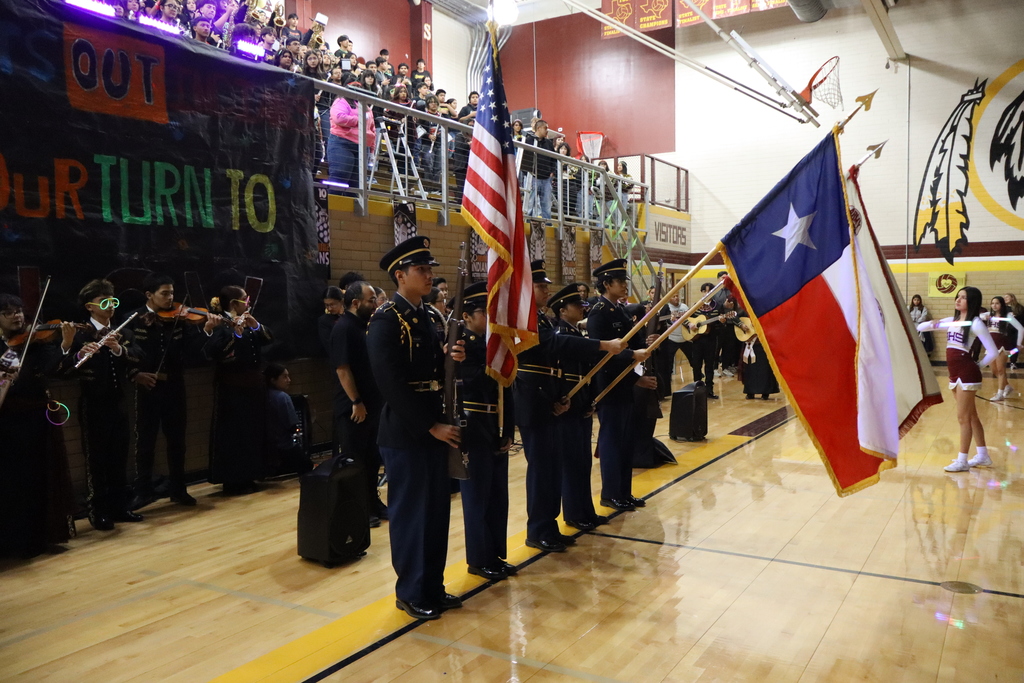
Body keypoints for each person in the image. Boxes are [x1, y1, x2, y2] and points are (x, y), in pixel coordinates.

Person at [366, 236, 465, 621]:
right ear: (399, 275)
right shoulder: (386, 320)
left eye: (429, 270)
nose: (429, 276)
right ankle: (410, 591)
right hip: (408, 433)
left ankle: (431, 586)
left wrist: (450, 359)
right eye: (421, 270)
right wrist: (430, 427)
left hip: (434, 426)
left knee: (436, 513)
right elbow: (390, 383)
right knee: (411, 515)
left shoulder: (427, 316)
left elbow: (433, 374)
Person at [515, 261, 626, 552]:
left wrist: (559, 397)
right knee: (541, 470)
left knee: (552, 469)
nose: (546, 289)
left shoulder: (541, 320)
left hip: (548, 401)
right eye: (540, 285)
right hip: (533, 402)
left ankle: (549, 527)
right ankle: (538, 529)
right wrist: (603, 345)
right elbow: (554, 346)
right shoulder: (527, 321)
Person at [0, 294, 77, 559]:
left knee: (36, 478)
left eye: (19, 311)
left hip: (33, 419)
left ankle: (36, 538)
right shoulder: (4, 346)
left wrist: (66, 343)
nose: (16, 316)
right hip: (5, 420)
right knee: (11, 483)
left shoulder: (37, 342)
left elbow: (52, 368)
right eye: (8, 312)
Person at [126, 274, 212, 510]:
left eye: (172, 293)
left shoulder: (181, 319)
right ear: (149, 295)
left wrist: (204, 329)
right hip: (147, 386)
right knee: (146, 440)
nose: (170, 298)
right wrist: (135, 374)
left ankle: (178, 489)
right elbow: (126, 353)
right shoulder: (133, 319)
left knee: (177, 440)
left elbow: (193, 351)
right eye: (165, 293)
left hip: (174, 384)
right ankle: (143, 491)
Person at [69, 280, 144, 531]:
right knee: (97, 460)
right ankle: (98, 511)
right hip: (93, 405)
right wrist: (78, 353)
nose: (111, 307)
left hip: (118, 403)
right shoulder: (79, 334)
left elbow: (139, 355)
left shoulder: (124, 331)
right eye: (105, 302)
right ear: (90, 307)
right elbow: (64, 367)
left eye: (113, 301)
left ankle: (120, 507)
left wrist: (118, 349)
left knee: (119, 457)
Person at [456, 282, 516, 580]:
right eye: (484, 312)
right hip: (474, 424)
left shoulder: (496, 345)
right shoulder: (461, 345)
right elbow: (474, 382)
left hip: (497, 422)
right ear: (467, 316)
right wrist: (497, 360)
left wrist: (508, 431)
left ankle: (494, 553)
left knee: (497, 495)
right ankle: (479, 558)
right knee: (477, 495)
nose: (491, 318)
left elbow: (508, 388)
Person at [586, 260, 654, 512]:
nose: (626, 286)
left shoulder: (620, 310)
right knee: (612, 441)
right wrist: (632, 357)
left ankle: (624, 492)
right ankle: (611, 493)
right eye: (620, 282)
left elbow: (631, 343)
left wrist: (646, 343)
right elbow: (600, 352)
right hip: (609, 386)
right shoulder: (599, 312)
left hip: (625, 384)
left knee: (626, 441)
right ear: (607, 284)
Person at [917, 286, 998, 472]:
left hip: (966, 373)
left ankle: (962, 460)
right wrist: (935, 323)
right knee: (971, 416)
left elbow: (992, 351)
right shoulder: (953, 320)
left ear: (972, 301)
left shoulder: (975, 323)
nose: (958, 299)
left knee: (963, 418)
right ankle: (983, 455)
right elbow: (920, 327)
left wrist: (976, 367)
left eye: (963, 297)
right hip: (955, 372)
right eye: (958, 296)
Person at [549, 284, 607, 532]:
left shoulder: (575, 333)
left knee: (583, 461)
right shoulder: (560, 335)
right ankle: (574, 513)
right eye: (577, 305)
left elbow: (587, 373)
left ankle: (586, 510)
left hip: (582, 403)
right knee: (572, 462)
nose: (583, 308)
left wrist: (591, 400)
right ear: (563, 310)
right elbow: (564, 376)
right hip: (569, 405)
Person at [204, 285, 272, 494]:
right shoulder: (220, 323)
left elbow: (269, 338)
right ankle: (233, 480)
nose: (248, 302)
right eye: (245, 299)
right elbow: (215, 352)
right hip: (231, 388)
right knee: (234, 436)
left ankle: (250, 475)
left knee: (252, 432)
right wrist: (235, 334)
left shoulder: (248, 319)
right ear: (233, 304)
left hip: (253, 386)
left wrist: (256, 325)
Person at [331, 280, 387, 527]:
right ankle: (358, 509)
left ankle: (373, 502)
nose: (375, 303)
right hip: (354, 407)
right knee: (356, 460)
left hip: (373, 404)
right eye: (371, 299)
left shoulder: (366, 326)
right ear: (355, 303)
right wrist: (356, 401)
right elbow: (343, 370)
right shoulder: (344, 328)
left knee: (373, 457)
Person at [327, 74, 375, 192]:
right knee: (340, 175)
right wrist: (360, 119)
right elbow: (339, 118)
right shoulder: (341, 101)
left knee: (357, 183)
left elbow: (372, 128)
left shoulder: (366, 106)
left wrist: (372, 149)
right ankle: (332, 207)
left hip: (362, 146)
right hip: (342, 142)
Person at [264, 363, 312, 476]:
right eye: (284, 377)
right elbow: (292, 425)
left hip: (266, 450)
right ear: (273, 380)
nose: (289, 380)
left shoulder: (261, 396)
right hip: (284, 447)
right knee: (307, 465)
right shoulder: (283, 397)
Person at [686, 281, 725, 399]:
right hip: (697, 340)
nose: (707, 293)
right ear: (701, 292)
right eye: (704, 291)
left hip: (711, 339)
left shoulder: (718, 306)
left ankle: (709, 390)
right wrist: (689, 324)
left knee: (709, 366)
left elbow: (722, 324)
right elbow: (684, 319)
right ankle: (696, 389)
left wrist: (722, 321)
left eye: (709, 291)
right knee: (696, 365)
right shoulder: (696, 305)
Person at [981, 296, 1023, 401]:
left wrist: (1018, 344)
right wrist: (983, 317)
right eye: (992, 303)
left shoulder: (1007, 315)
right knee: (994, 370)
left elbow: (1021, 328)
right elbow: (978, 315)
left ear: (1001, 305)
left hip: (1002, 345)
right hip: (990, 345)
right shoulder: (988, 315)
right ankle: (1007, 386)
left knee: (1000, 370)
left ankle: (1000, 394)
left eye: (997, 303)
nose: (994, 305)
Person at [736, 316, 778, 400]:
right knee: (749, 368)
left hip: (763, 340)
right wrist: (741, 324)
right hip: (749, 339)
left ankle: (766, 391)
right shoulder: (744, 307)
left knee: (764, 366)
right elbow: (734, 316)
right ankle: (750, 391)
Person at [523, 120, 555, 220]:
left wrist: (552, 172)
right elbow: (524, 159)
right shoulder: (528, 141)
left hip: (546, 179)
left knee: (546, 205)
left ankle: (547, 225)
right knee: (529, 204)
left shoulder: (549, 143)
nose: (547, 130)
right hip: (532, 177)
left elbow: (554, 158)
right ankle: (527, 224)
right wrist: (527, 173)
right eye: (545, 128)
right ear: (539, 128)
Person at [318, 286, 344, 355]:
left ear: (341, 301)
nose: (329, 308)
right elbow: (329, 345)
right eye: (327, 305)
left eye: (332, 305)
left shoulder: (349, 315)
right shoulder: (324, 321)